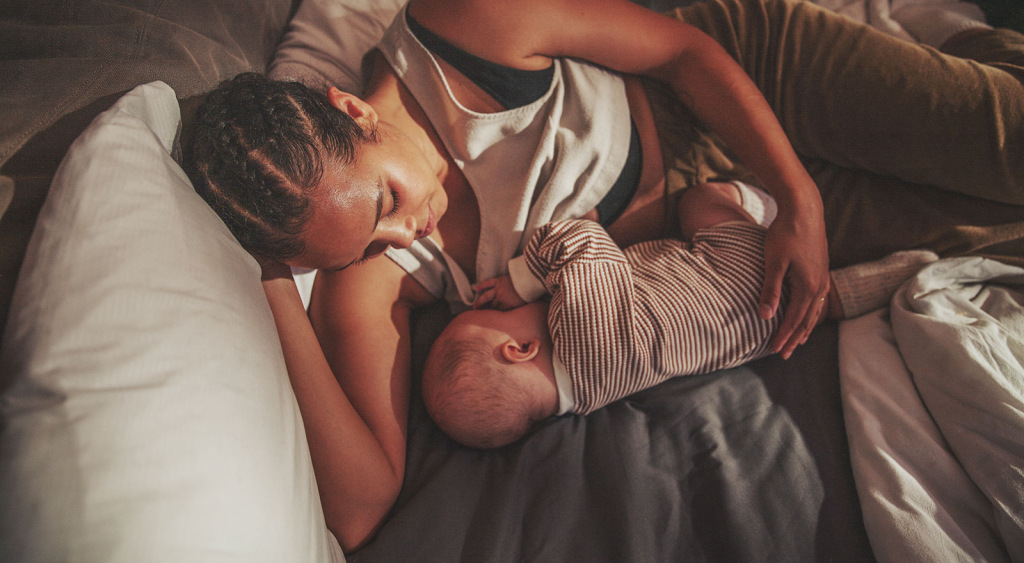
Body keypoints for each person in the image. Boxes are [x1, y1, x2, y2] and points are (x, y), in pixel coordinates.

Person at [181, 0, 1024, 551]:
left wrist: (799, 194)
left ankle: (971, 56)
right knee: (993, 224)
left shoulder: (461, 26)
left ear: (352, 109)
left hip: (746, 87)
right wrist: (266, 282)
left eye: (388, 200)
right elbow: (361, 506)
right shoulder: (365, 283)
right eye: (361, 245)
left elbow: (687, 53)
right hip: (723, 228)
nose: (407, 231)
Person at [421, 181, 936, 449]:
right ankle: (757, 207)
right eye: (494, 314)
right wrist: (522, 280)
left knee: (818, 308)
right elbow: (581, 240)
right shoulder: (579, 327)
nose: (504, 306)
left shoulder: (588, 395)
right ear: (518, 349)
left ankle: (903, 275)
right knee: (702, 199)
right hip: (733, 266)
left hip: (755, 329)